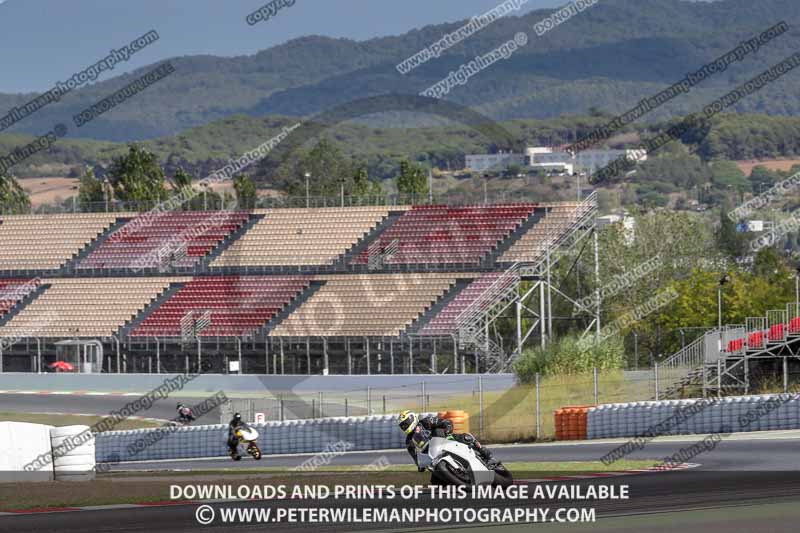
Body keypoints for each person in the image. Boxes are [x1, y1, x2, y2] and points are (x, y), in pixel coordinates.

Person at [398, 410, 495, 470]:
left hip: (444, 440)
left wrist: (447, 430)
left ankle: (487, 455)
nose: (404, 427)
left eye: (405, 424)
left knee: (466, 437)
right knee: (436, 480)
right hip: (431, 455)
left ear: (412, 418)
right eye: (402, 426)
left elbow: (446, 422)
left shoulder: (426, 421)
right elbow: (415, 457)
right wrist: (419, 465)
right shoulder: (409, 441)